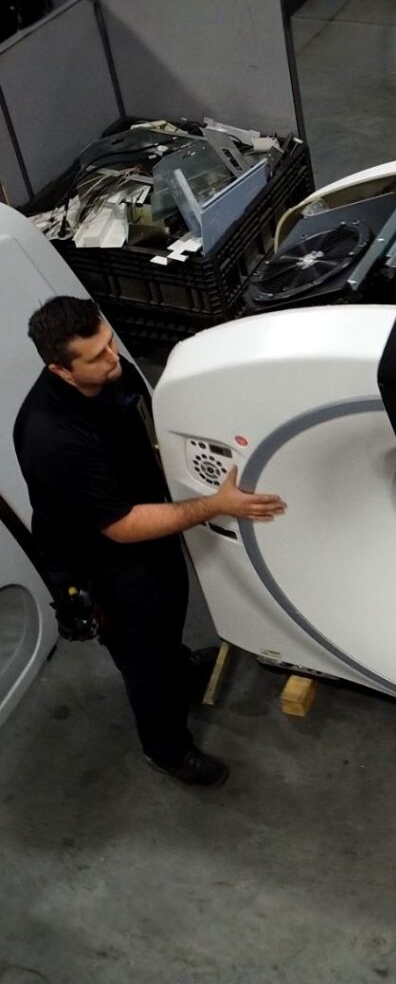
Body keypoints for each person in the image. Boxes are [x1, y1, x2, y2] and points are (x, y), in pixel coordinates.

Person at [14, 296, 286, 787]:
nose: (112, 357)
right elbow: (122, 526)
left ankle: (178, 667)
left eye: (109, 342)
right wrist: (215, 505)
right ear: (61, 370)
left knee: (167, 616)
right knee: (144, 659)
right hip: (105, 564)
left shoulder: (112, 376)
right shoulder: (52, 439)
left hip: (143, 529)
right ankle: (167, 750)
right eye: (95, 356)